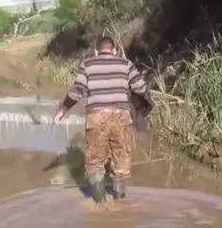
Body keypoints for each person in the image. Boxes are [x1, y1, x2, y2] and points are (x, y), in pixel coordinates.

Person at [53, 36, 152, 203]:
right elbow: (141, 88)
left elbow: (76, 91)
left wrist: (62, 110)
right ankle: (120, 202)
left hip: (96, 116)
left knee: (95, 162)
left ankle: (100, 205)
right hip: (121, 116)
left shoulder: (88, 65)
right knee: (121, 159)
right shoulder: (126, 64)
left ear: (96, 51)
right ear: (114, 50)